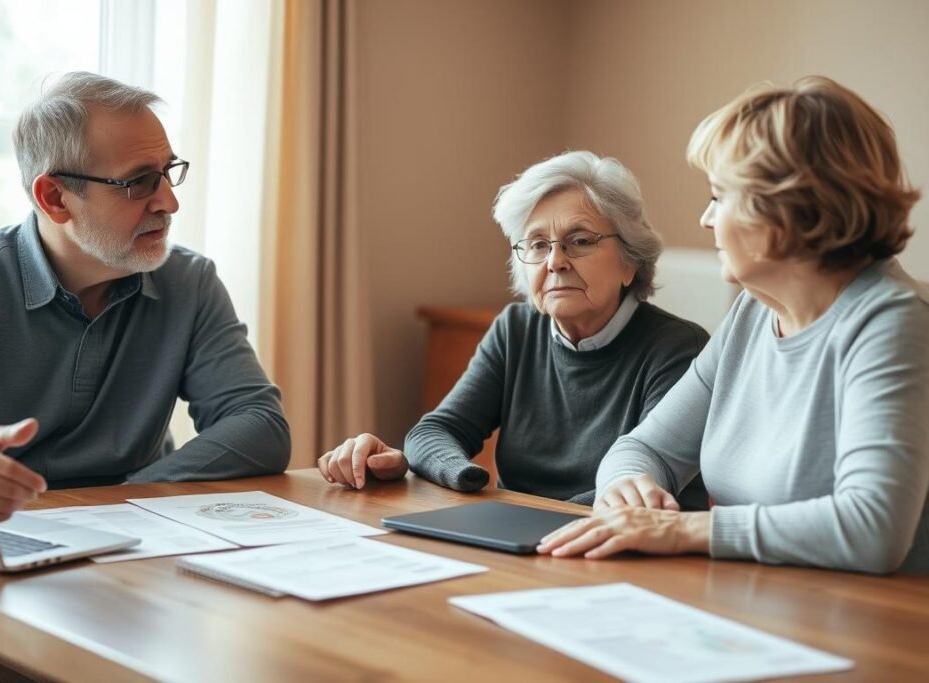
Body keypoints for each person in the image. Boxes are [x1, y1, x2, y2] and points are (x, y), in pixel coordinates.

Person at [538, 76, 929, 574]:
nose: (705, 218)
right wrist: (627, 488)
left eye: (720, 197)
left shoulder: (893, 322)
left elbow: (872, 528)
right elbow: (643, 447)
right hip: (758, 607)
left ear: (785, 211)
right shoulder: (754, 311)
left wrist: (679, 530)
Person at [0, 72, 291, 525]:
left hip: (141, 540)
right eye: (139, 182)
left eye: (168, 172)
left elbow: (259, 425)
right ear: (55, 198)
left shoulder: (189, 281)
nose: (169, 202)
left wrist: (126, 500)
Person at [319, 151, 709, 507]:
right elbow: (434, 432)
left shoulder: (678, 348)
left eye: (580, 240)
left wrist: (515, 513)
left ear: (630, 262)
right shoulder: (516, 329)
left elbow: (642, 489)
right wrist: (465, 480)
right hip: (515, 540)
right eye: (538, 245)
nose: (555, 261)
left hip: (616, 550)